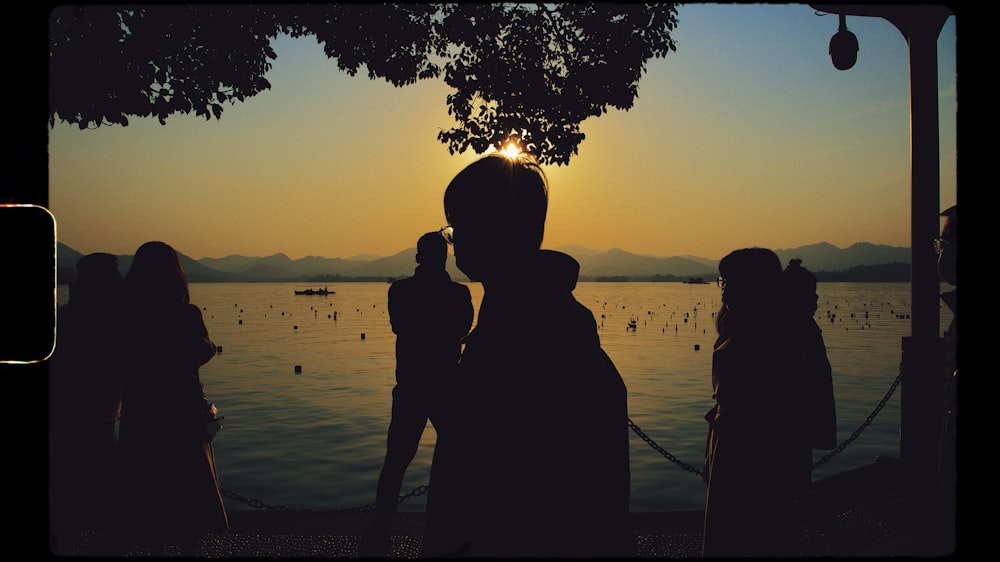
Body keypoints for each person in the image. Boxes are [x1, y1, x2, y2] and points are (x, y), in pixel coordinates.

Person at [421, 153, 634, 558]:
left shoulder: (523, 335)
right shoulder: (555, 318)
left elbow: (491, 489)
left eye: (458, 226)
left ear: (491, 227)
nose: (454, 241)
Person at [359, 231, 474, 557]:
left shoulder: (400, 291)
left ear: (418, 257)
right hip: (446, 386)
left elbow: (399, 326)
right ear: (444, 257)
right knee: (456, 460)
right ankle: (453, 526)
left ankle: (381, 528)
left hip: (410, 385)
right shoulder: (458, 294)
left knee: (396, 461)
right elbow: (462, 329)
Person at [112, 241, 228, 554]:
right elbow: (203, 351)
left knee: (144, 476)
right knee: (184, 479)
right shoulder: (186, 314)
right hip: (180, 410)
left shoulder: (125, 314)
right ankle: (188, 542)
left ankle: (146, 537)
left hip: (141, 409)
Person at [702, 247, 802, 557]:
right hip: (733, 444)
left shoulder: (769, 335)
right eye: (722, 280)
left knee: (745, 533)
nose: (724, 288)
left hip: (750, 452)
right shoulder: (742, 327)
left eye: (729, 280)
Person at [48, 252, 126, 554]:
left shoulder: (68, 316)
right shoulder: (119, 319)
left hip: (70, 412)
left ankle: (68, 536)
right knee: (104, 478)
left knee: (70, 479)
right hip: (97, 413)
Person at [780, 258, 837, 506]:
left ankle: (801, 494)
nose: (815, 299)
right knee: (795, 456)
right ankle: (797, 499)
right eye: (809, 294)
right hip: (795, 410)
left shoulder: (803, 324)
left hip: (806, 407)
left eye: (815, 293)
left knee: (802, 456)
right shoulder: (790, 328)